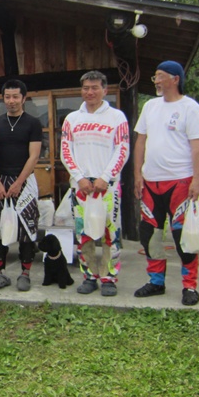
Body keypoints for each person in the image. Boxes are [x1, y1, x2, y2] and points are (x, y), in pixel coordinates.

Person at [133, 61, 199, 306]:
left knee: (182, 236)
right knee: (150, 234)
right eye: (154, 76)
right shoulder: (150, 106)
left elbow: (197, 147)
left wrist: (196, 180)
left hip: (180, 181)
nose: (156, 80)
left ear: (175, 79)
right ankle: (156, 281)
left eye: (160, 76)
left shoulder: (190, 107)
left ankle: (190, 285)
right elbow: (140, 142)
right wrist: (137, 175)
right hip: (151, 182)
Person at [61, 71, 130, 296]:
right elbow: (65, 151)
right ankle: (89, 276)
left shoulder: (117, 117)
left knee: (111, 233)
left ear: (104, 90)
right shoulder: (72, 119)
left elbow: (122, 149)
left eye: (94, 88)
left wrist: (106, 177)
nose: (89, 92)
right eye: (85, 88)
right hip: (80, 186)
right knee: (84, 233)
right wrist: (79, 177)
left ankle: (109, 278)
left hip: (108, 186)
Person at [0, 79, 42, 292]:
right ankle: (0, 272)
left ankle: (25, 273)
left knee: (27, 226)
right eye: (7, 97)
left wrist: (19, 182)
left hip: (25, 182)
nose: (11, 101)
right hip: (0, 181)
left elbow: (34, 156)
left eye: (15, 97)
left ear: (23, 98)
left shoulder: (33, 123)